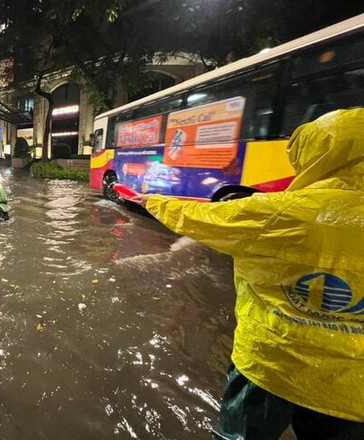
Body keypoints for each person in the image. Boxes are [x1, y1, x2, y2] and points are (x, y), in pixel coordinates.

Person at [133, 108, 364, 439]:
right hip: (353, 390)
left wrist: (154, 202)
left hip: (271, 366)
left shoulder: (280, 213)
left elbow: (205, 217)